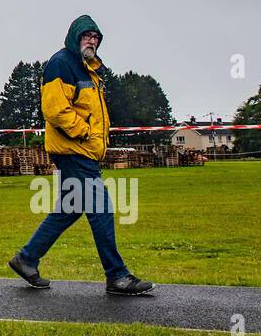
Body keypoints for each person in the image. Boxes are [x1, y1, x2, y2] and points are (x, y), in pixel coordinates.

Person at [9, 15, 155, 296]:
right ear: (75, 37)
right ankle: (117, 276)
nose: (93, 41)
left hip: (82, 151)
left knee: (70, 208)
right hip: (73, 150)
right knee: (102, 207)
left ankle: (26, 259)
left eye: (96, 37)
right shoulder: (62, 63)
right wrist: (83, 131)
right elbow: (54, 109)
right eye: (87, 35)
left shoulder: (89, 70)